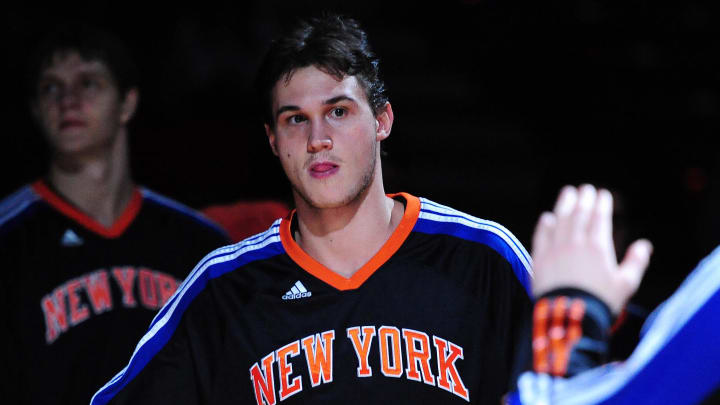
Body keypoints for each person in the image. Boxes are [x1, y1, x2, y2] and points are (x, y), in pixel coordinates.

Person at [91, 14, 533, 405]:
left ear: (382, 120)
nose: (317, 138)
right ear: (272, 139)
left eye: (338, 111)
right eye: (295, 119)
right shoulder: (222, 291)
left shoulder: (483, 258)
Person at [0, 25, 230, 405]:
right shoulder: (10, 240)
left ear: (127, 102)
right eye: (51, 88)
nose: (67, 101)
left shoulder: (199, 244)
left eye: (88, 83)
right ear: (36, 110)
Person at [505, 184, 720, 404]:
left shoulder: (641, 325)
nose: (599, 231)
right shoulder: (510, 318)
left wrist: (569, 312)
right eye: (572, 218)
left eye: (613, 220)